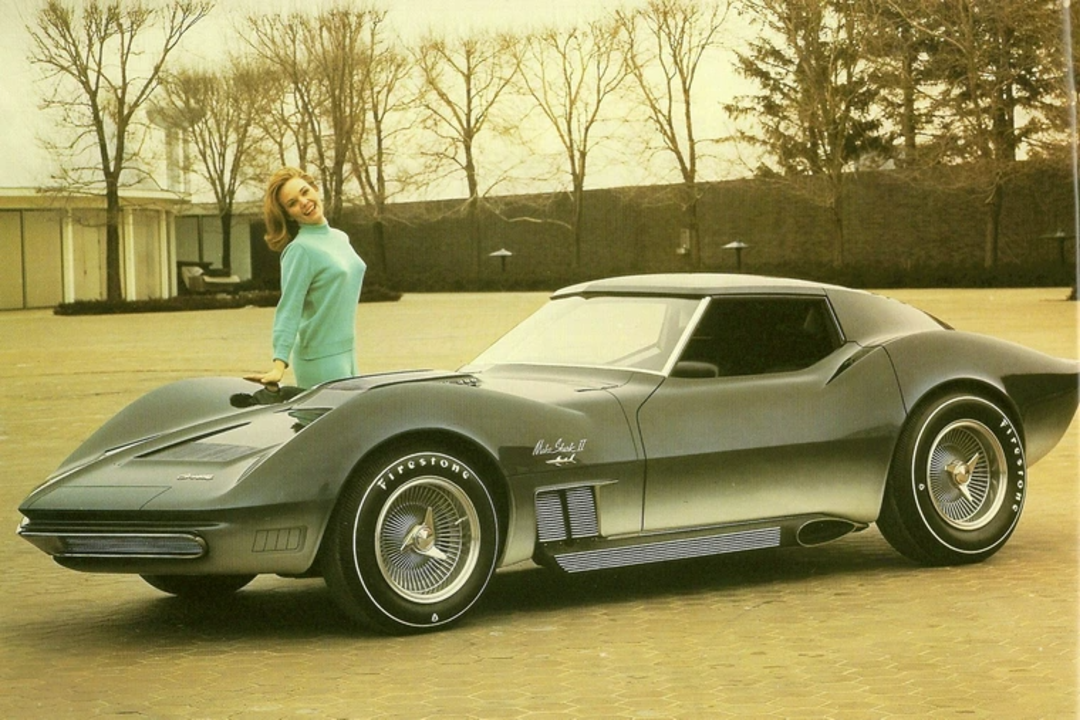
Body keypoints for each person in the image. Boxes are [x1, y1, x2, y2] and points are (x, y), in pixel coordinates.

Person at [246, 167, 366, 389]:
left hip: (348, 352)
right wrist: (279, 365)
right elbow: (289, 308)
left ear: (315, 189)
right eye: (292, 203)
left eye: (305, 192)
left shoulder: (341, 238)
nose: (303, 202)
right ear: (288, 214)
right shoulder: (300, 250)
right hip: (319, 360)